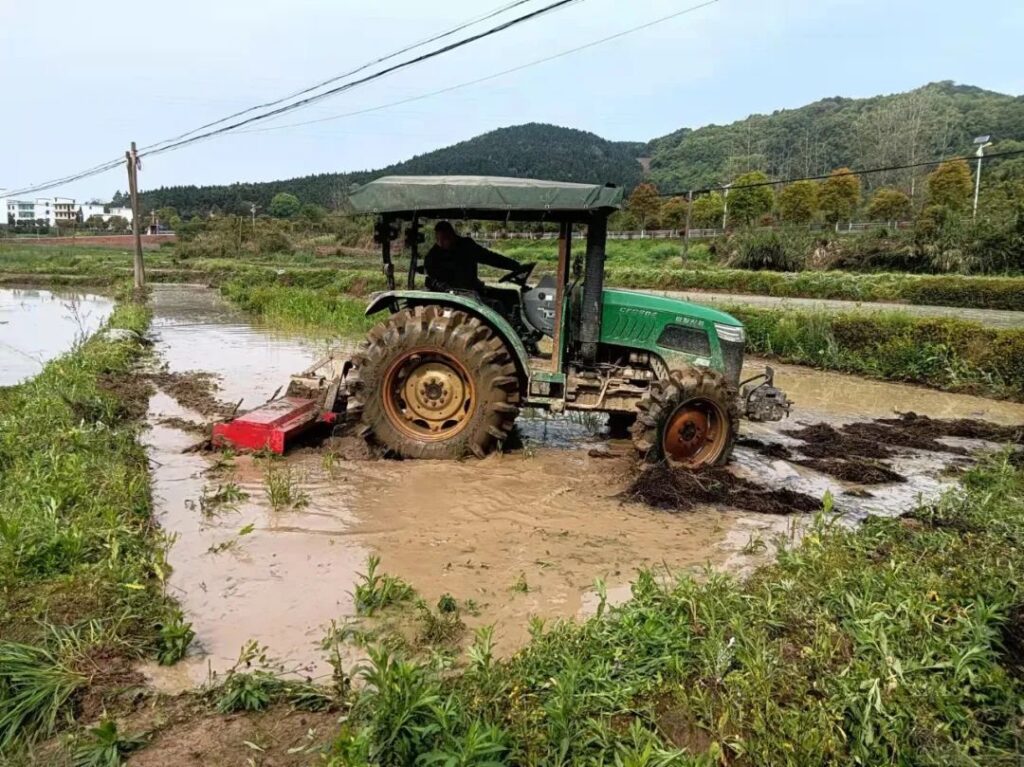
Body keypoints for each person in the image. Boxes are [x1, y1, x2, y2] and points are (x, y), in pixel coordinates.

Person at [423, 221, 527, 293]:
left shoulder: (466, 246)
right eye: (437, 239)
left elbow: (490, 257)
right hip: (456, 293)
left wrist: (514, 265)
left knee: (510, 294)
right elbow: (430, 273)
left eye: (444, 239)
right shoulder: (434, 254)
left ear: (452, 235)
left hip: (469, 289)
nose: (440, 243)